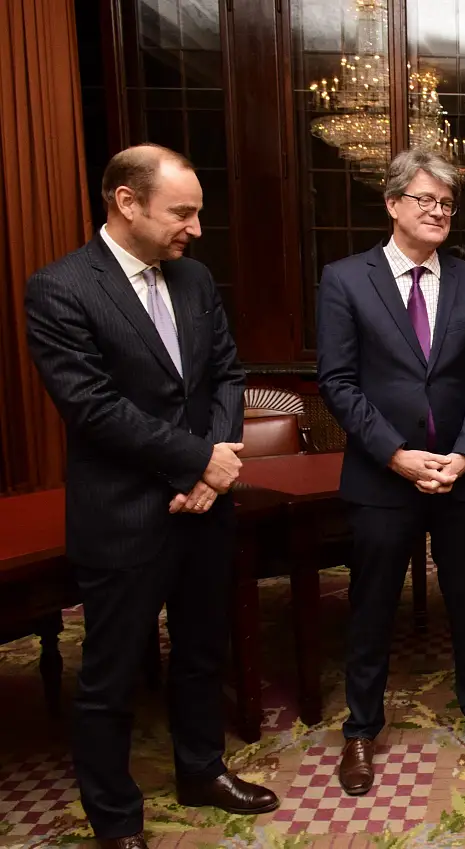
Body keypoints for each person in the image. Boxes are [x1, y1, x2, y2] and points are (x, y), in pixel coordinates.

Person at [24, 144, 278, 849]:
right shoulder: (61, 288)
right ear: (125, 202)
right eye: (183, 212)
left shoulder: (194, 279)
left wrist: (216, 467)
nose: (195, 228)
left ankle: (201, 770)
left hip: (204, 509)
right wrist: (200, 460)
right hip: (126, 514)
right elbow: (94, 408)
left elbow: (227, 374)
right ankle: (116, 820)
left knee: (202, 650)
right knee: (109, 674)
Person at [316, 148, 465, 796]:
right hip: (382, 478)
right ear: (393, 202)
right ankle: (361, 727)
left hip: (461, 476)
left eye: (447, 203)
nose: (437, 211)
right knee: (371, 606)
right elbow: (339, 382)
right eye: (425, 199)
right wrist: (395, 454)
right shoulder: (345, 280)